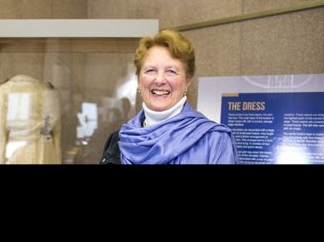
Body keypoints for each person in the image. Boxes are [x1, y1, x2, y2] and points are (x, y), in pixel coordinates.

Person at [100, 29, 238, 164]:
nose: (159, 80)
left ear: (187, 82)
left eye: (171, 71)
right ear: (138, 80)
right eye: (151, 70)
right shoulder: (118, 141)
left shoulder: (214, 140)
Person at [0, 75, 61, 164]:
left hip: (18, 152)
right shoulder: (48, 90)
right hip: (46, 151)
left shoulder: (4, 91)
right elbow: (56, 133)